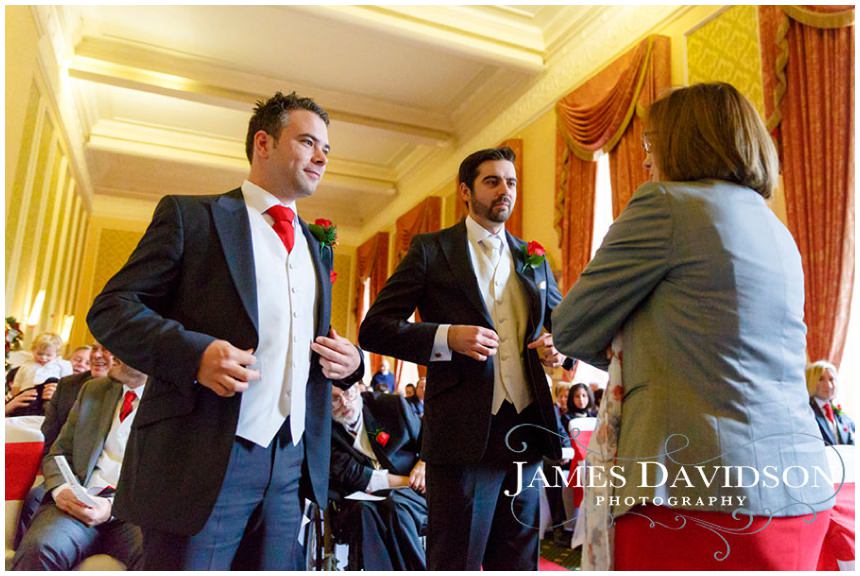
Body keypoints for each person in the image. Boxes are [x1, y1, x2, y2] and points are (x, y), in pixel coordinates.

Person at [552, 82, 833, 570]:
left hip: (696, 490)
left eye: (651, 143)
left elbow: (572, 326)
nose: (645, 159)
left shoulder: (666, 204)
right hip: (799, 485)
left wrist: (644, 349)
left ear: (686, 140)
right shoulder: (779, 231)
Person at [86, 91, 364, 570]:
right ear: (263, 143)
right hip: (199, 459)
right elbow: (112, 309)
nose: (321, 157)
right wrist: (194, 354)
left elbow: (298, 338)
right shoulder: (192, 217)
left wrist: (351, 362)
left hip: (291, 463)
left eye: (326, 149)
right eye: (307, 142)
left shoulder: (317, 247)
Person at [359, 146, 571, 570]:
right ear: (465, 191)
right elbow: (375, 327)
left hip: (526, 431)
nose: (505, 190)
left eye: (511, 182)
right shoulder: (431, 250)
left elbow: (563, 327)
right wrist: (446, 337)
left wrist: (558, 347)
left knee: (518, 562)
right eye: (492, 181)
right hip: (460, 435)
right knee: (456, 561)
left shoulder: (533, 258)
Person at [11, 356, 146, 570]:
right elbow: (58, 452)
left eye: (123, 345)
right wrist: (62, 489)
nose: (110, 353)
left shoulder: (175, 403)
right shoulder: (94, 389)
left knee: (158, 557)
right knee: (40, 549)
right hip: (79, 502)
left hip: (136, 513)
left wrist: (111, 507)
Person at [329, 384, 427, 570]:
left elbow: (427, 440)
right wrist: (410, 482)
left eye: (348, 393)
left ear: (358, 388)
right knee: (364, 512)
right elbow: (358, 477)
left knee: (395, 507)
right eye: (334, 399)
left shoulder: (390, 406)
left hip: (412, 498)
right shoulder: (324, 431)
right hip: (361, 499)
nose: (345, 403)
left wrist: (423, 463)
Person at [807, 360, 855, 445]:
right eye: (821, 379)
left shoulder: (842, 416)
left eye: (831, 379)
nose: (828, 385)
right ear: (811, 381)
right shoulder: (806, 412)